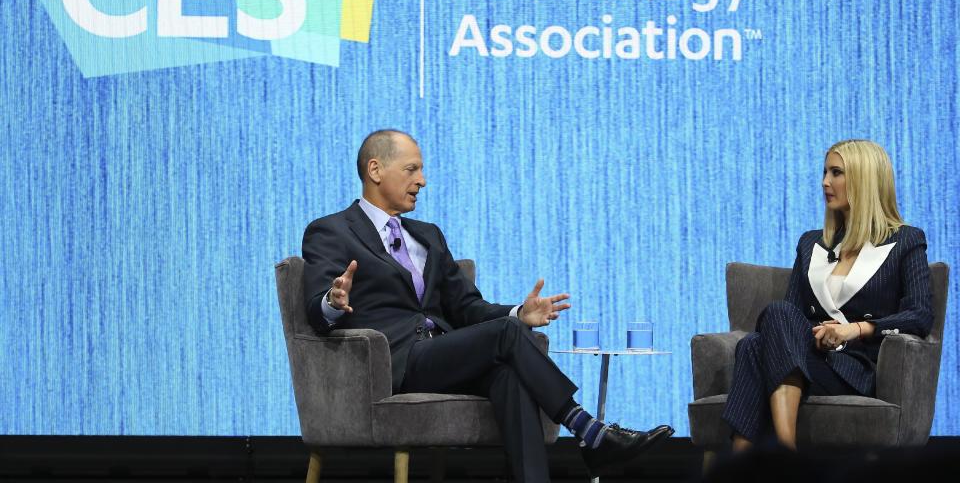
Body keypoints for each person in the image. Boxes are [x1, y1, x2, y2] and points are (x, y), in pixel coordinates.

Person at [302, 129, 674, 481]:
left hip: (444, 356)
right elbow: (317, 311)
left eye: (422, 170)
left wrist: (518, 314)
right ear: (375, 170)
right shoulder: (332, 230)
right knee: (506, 339)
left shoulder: (427, 235)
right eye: (411, 169)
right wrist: (334, 301)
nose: (422, 180)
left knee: (510, 375)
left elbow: (467, 308)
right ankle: (588, 431)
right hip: (396, 362)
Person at [721, 139, 933, 450]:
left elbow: (920, 315)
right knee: (759, 338)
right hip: (808, 358)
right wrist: (816, 335)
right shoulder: (810, 244)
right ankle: (767, 461)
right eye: (824, 172)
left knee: (760, 339)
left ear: (864, 179)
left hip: (854, 368)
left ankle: (773, 458)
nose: (825, 182)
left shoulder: (905, 241)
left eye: (836, 173)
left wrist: (857, 329)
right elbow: (789, 318)